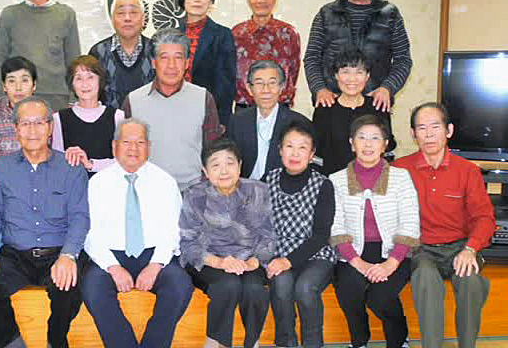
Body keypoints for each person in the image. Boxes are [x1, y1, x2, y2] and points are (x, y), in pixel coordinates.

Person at [0, 96, 89, 348]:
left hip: (57, 252)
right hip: (16, 255)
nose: (32, 130)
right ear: (16, 129)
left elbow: (80, 217)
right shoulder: (2, 168)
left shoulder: (71, 167)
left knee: (70, 285)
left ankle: (55, 340)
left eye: (39, 122)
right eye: (25, 123)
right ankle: (11, 342)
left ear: (50, 128)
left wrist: (68, 255)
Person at [82, 119, 193, 348]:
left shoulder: (165, 182)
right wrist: (113, 267)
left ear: (149, 147)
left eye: (140, 142)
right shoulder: (97, 183)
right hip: (111, 255)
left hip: (154, 254)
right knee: (93, 288)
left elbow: (174, 229)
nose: (133, 148)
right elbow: (90, 232)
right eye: (127, 142)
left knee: (180, 285)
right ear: (114, 146)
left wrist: (156, 265)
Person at [394, 102, 495, 348]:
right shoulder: (399, 170)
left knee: (471, 281)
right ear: (413, 134)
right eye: (421, 128)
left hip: (461, 247)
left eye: (435, 127)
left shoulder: (468, 171)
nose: (428, 134)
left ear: (449, 130)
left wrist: (470, 249)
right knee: (426, 277)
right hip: (421, 249)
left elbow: (484, 217)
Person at [330, 114, 420, 348]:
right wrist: (359, 263)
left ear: (385, 145)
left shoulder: (401, 177)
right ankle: (359, 340)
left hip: (395, 251)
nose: (368, 144)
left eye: (375, 138)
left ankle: (399, 339)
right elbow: (336, 227)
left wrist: (391, 264)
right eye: (361, 137)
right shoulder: (336, 180)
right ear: (352, 143)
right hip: (353, 252)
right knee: (348, 290)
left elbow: (410, 223)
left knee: (380, 298)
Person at [180, 138, 276, 348]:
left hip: (249, 260)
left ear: (240, 166)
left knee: (255, 289)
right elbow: (187, 242)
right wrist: (219, 262)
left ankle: (252, 342)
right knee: (228, 285)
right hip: (208, 261)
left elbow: (269, 235)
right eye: (215, 165)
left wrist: (254, 261)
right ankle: (215, 342)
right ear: (205, 171)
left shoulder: (259, 191)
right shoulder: (194, 195)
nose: (223, 171)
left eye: (230, 163)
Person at [304, 0, 412, 112]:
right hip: (331, 101)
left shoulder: (390, 14)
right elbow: (312, 57)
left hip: (375, 101)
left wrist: (388, 88)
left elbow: (403, 60)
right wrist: (319, 88)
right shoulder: (326, 14)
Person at [121, 27, 224, 190]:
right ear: (153, 63)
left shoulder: (203, 98)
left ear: (187, 63)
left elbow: (214, 151)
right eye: (164, 58)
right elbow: (124, 153)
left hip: (193, 190)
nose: (171, 65)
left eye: (178, 58)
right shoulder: (133, 101)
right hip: (147, 189)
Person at [265, 119, 336, 348]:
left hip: (316, 254)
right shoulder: (267, 180)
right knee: (281, 285)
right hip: (278, 253)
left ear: (312, 154)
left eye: (302, 147)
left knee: (305, 289)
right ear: (280, 149)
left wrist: (288, 261)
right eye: (289, 146)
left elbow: (321, 236)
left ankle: (313, 344)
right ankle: (286, 342)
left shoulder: (323, 184)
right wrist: (274, 258)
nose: (295, 153)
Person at [0, 0, 80, 111]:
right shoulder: (10, 15)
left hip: (58, 99)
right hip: (19, 98)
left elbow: (74, 61)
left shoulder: (66, 14)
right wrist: (1, 99)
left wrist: (74, 99)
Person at [313, 49, 397, 175]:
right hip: (334, 181)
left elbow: (387, 150)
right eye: (345, 72)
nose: (352, 79)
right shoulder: (325, 109)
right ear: (336, 75)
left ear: (367, 76)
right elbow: (317, 154)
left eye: (359, 72)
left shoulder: (378, 106)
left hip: (373, 180)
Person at [228, 60, 309, 180]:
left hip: (282, 187)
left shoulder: (298, 123)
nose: (266, 90)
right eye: (259, 83)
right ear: (249, 88)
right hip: (245, 186)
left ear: (281, 87)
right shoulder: (238, 121)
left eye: (272, 83)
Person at [232, 0, 301, 108]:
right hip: (245, 106)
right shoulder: (237, 33)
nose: (261, 0)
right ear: (248, 0)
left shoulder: (288, 33)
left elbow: (293, 72)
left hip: (280, 106)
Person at [177, 0, 236, 125]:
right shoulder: (171, 34)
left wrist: (221, 119)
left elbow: (226, 82)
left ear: (210, 2)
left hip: (207, 110)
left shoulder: (223, 35)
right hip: (174, 106)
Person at [52, 55, 124, 176]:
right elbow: (57, 163)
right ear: (72, 84)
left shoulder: (117, 116)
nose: (85, 84)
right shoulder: (59, 118)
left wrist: (90, 164)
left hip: (109, 183)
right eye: (78, 78)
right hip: (74, 184)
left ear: (100, 81)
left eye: (90, 77)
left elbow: (123, 161)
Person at [89, 0, 155, 109]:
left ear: (143, 18)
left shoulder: (155, 50)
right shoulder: (98, 52)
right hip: (109, 119)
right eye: (121, 13)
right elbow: (90, 95)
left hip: (148, 119)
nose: (127, 18)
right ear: (112, 19)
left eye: (133, 12)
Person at [0, 56, 37, 179]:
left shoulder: (45, 117)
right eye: (12, 81)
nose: (18, 87)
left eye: (24, 80)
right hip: (5, 185)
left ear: (34, 85)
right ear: (4, 86)